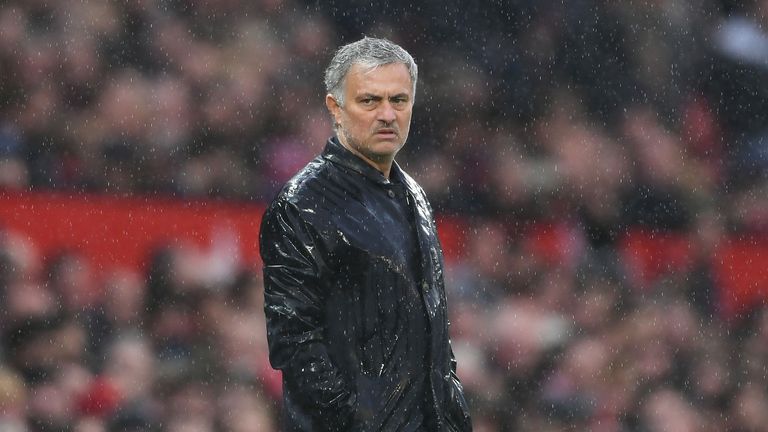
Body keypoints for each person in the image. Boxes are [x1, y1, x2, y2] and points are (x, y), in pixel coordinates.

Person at [259, 37, 472, 431]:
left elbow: (433, 335)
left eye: (399, 100)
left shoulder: (416, 195)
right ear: (335, 109)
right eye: (370, 101)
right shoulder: (301, 205)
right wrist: (355, 422)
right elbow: (295, 342)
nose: (387, 114)